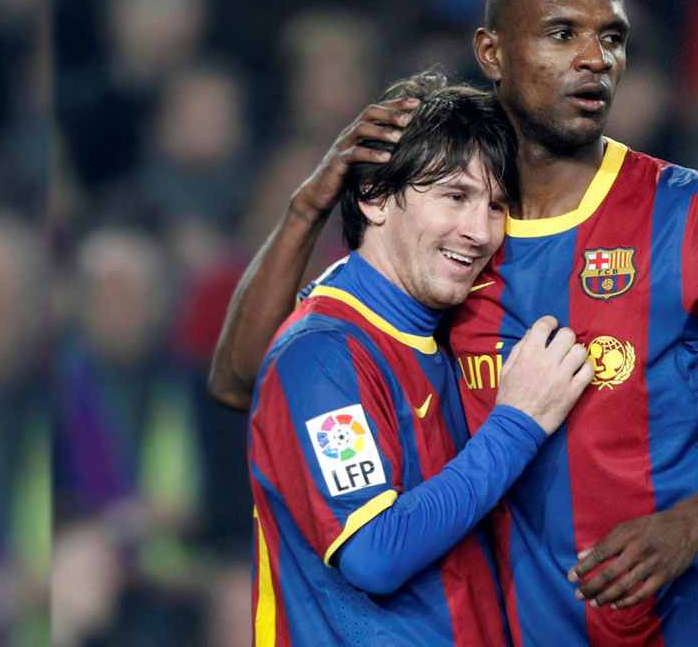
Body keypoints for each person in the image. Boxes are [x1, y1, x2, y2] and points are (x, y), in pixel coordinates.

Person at [214, 0, 698, 647]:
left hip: (691, 621)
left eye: (612, 37)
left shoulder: (691, 211)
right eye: (562, 33)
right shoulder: (452, 252)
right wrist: (310, 206)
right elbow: (253, 375)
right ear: (492, 52)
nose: (596, 58)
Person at [246, 72, 592, 645]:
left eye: (497, 206)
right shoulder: (319, 356)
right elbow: (372, 553)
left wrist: (683, 516)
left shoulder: (459, 336)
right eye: (455, 196)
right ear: (375, 196)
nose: (479, 231)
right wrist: (516, 423)